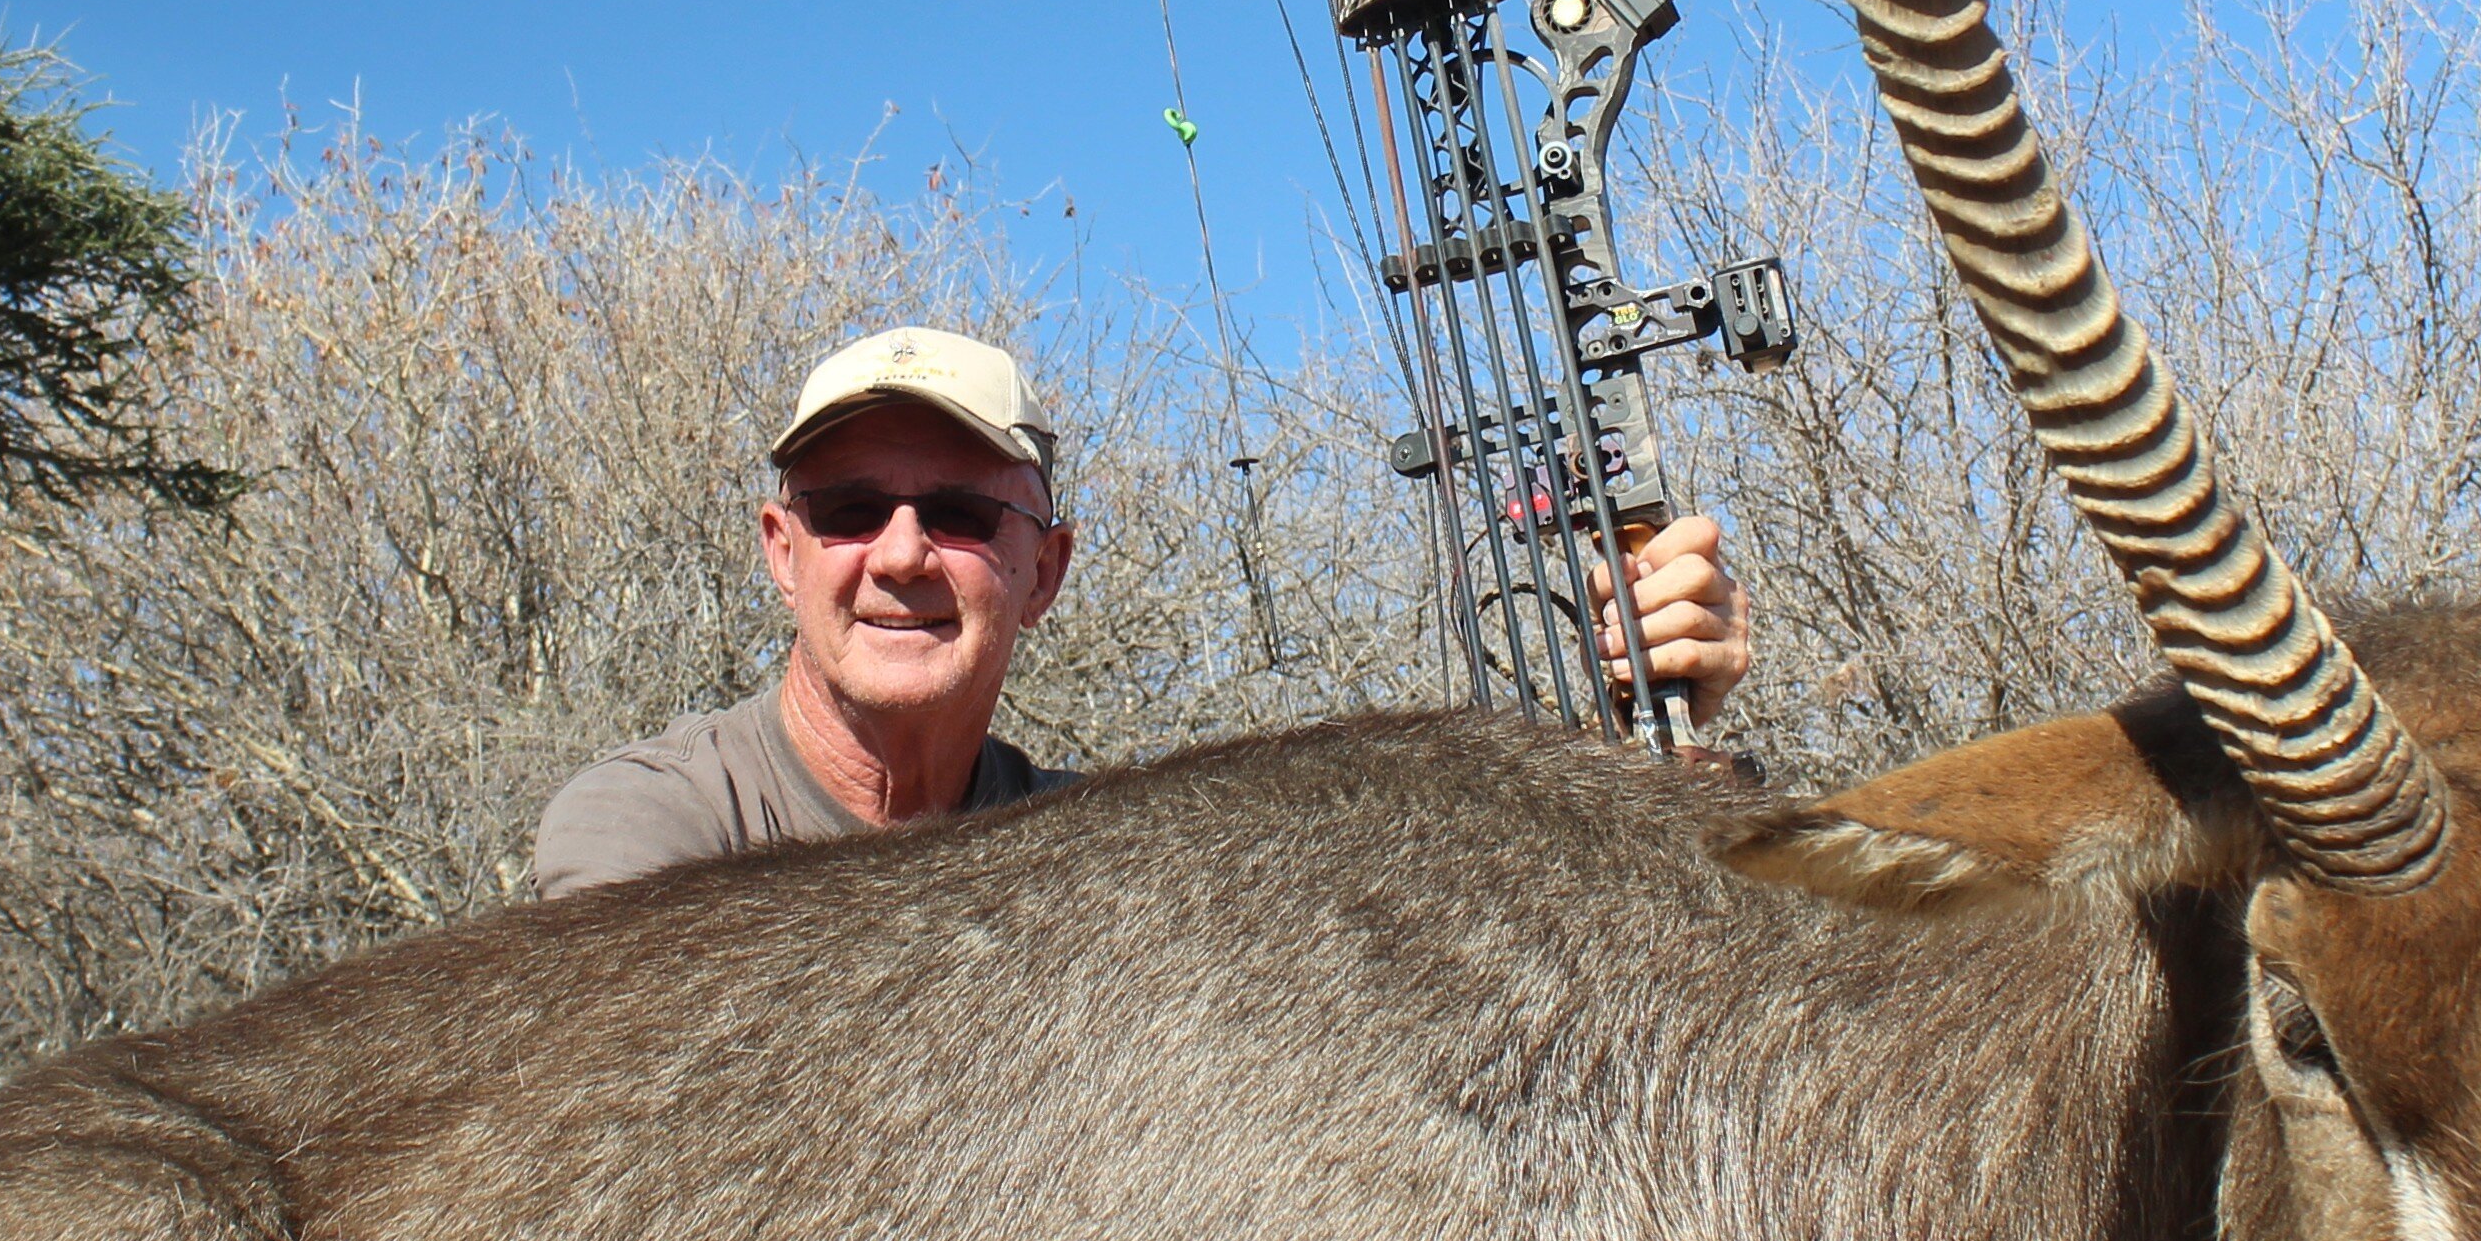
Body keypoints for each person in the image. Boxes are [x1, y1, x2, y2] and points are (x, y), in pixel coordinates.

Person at [530, 323, 1751, 897]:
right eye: (849, 510)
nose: (900, 556)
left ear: (1045, 573)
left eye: (959, 513)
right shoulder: (645, 827)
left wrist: (1659, 738)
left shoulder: (1100, 849)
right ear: (780, 552)